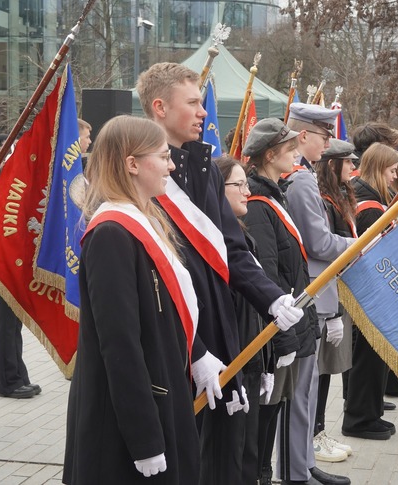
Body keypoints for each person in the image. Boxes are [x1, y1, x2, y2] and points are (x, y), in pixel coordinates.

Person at [136, 62, 303, 485]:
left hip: (218, 327)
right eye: (192, 103)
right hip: (172, 336)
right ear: (159, 107)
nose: (203, 113)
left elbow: (232, 249)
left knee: (223, 456)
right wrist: (193, 349)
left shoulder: (205, 167)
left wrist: (271, 297)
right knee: (178, 457)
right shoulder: (137, 172)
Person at [63, 115, 200, 484]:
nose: (171, 165)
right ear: (132, 164)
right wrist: (144, 438)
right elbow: (119, 343)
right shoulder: (111, 233)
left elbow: (166, 306)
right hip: (126, 422)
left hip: (160, 392)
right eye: (163, 155)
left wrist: (198, 355)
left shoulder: (145, 220)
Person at [240, 119, 319, 485]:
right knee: (266, 416)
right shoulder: (257, 205)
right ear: (270, 156)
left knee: (276, 412)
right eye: (289, 150)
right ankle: (261, 476)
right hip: (277, 332)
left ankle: (268, 474)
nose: (296, 155)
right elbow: (268, 277)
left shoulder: (275, 195)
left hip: (291, 324)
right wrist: (283, 339)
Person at [282, 104, 355, 485]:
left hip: (312, 294)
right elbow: (318, 242)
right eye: (324, 136)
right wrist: (358, 243)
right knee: (301, 392)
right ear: (304, 135)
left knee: (306, 391)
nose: (327, 145)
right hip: (307, 294)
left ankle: (304, 463)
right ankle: (298, 469)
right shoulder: (301, 181)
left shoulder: (303, 177)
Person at [342, 143, 398, 441]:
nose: (393, 177)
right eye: (391, 170)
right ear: (378, 170)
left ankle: (369, 411)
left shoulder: (368, 197)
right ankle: (360, 418)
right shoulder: (370, 206)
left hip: (372, 291)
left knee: (372, 356)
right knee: (368, 357)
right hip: (371, 290)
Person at [214, 154, 266, 484]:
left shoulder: (243, 235)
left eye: (246, 183)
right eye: (239, 185)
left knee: (249, 450)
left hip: (251, 358)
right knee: (230, 456)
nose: (247, 191)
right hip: (231, 363)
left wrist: (267, 360)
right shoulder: (216, 240)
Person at [312, 138, 358, 463]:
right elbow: (323, 251)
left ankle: (320, 431)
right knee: (322, 367)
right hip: (328, 296)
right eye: (348, 162)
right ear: (332, 165)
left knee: (329, 368)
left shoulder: (338, 197)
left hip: (339, 294)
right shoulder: (324, 201)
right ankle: (313, 436)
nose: (354, 168)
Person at [0, 133, 40, 400]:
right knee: (7, 322)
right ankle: (8, 381)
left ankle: (18, 373)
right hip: (4, 259)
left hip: (16, 259)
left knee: (14, 322)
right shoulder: (6, 174)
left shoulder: (16, 174)